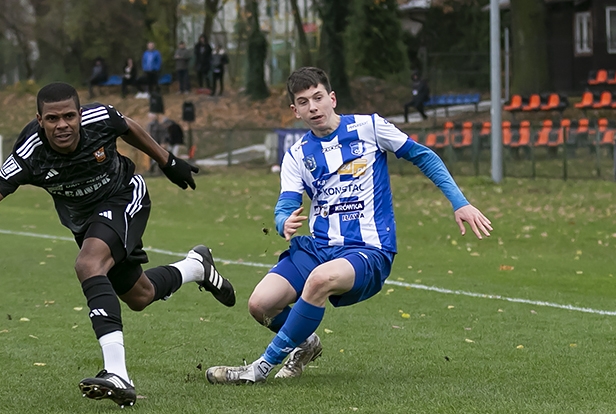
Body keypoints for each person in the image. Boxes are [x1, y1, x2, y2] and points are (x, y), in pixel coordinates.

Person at [0, 82, 236, 408]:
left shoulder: (100, 119)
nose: (63, 125)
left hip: (124, 196)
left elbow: (129, 127)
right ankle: (196, 267)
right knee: (139, 296)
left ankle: (118, 374)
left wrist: (168, 161)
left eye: (69, 116)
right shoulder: (30, 153)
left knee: (88, 264)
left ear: (80, 114)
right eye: (53, 119)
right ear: (39, 119)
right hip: (85, 221)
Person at [205, 67, 492, 384]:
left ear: (332, 98)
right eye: (303, 102)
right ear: (295, 110)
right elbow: (286, 203)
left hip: (368, 249)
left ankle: (257, 369)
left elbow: (423, 155)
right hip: (318, 247)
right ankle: (305, 344)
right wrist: (283, 220)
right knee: (261, 305)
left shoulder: (369, 127)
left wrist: (459, 202)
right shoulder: (297, 154)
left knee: (319, 281)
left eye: (317, 98)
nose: (313, 107)